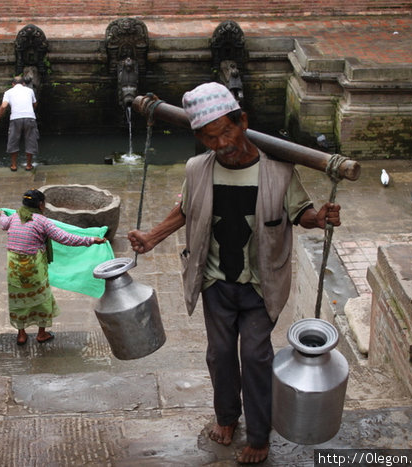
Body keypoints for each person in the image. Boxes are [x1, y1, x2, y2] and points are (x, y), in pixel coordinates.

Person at [127, 82, 341, 464]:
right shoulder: (197, 169)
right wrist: (152, 237)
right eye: (210, 137)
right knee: (220, 353)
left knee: (256, 356)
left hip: (261, 285)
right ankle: (226, 418)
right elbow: (186, 211)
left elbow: (299, 213)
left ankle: (259, 435)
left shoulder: (278, 170)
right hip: (215, 283)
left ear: (243, 122)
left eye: (227, 131)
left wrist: (319, 218)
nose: (221, 143)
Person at [0, 189, 106, 344]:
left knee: (18, 299)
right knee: (42, 299)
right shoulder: (42, 222)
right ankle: (41, 334)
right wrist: (90, 240)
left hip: (14, 269)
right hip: (34, 269)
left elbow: (3, 224)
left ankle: (21, 335)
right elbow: (66, 238)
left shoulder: (14, 216)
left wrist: (1, 213)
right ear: (41, 205)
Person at [0, 76, 38, 172]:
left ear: (13, 84)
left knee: (13, 140)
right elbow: (35, 103)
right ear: (24, 83)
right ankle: (29, 165)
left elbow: (3, 106)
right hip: (30, 118)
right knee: (30, 140)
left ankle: (14, 165)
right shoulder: (30, 91)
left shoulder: (8, 92)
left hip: (15, 119)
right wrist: (30, 110)